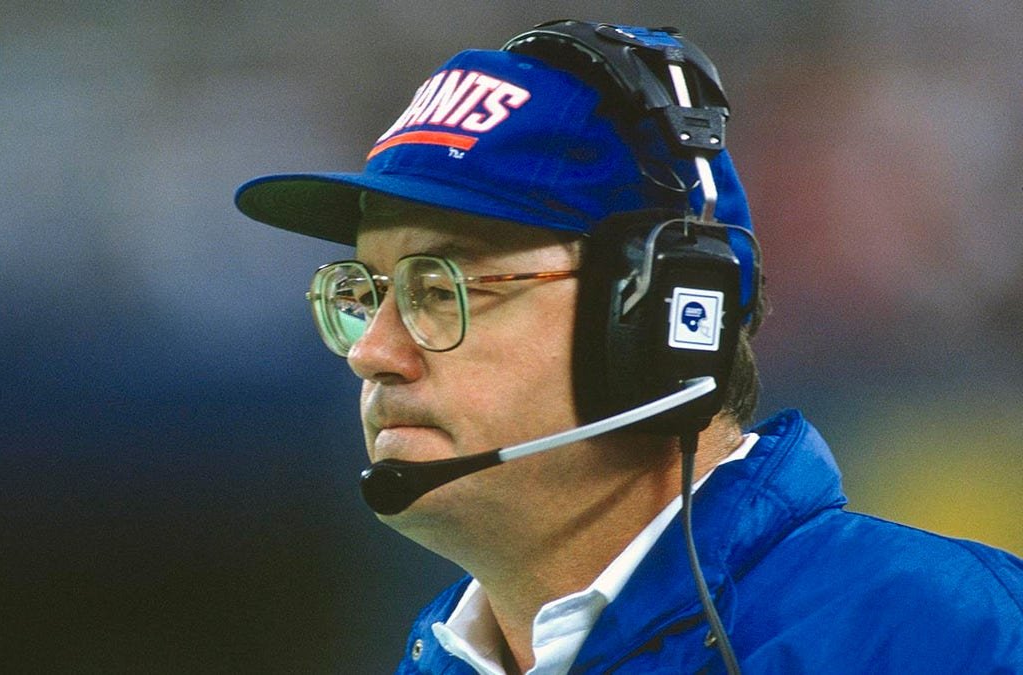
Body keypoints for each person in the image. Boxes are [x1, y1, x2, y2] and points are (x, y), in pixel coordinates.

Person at [234, 20, 1023, 674]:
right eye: (364, 294)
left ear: (659, 319)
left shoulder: (949, 636)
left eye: (439, 290)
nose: (371, 352)